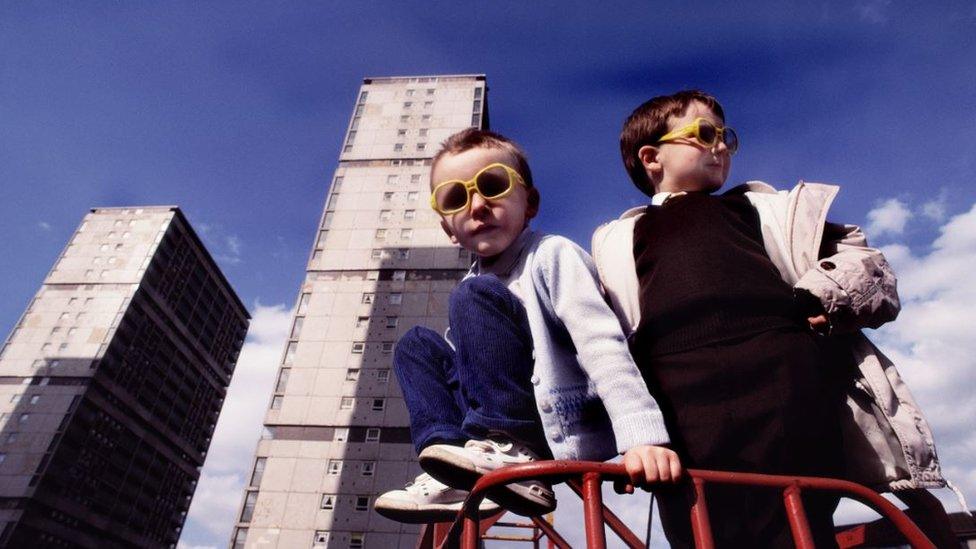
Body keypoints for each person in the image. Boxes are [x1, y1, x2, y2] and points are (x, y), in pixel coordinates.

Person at [590, 90, 955, 548]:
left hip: (785, 381)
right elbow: (597, 328)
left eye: (726, 136)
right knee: (699, 522)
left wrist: (814, 298)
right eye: (704, 134)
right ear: (651, 158)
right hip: (680, 399)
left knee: (797, 518)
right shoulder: (619, 237)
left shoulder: (765, 209)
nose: (720, 145)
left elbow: (868, 267)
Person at [373, 128, 681, 524]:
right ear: (448, 228)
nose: (478, 205)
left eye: (493, 185)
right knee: (416, 344)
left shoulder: (551, 255)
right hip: (494, 421)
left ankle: (508, 444)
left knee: (474, 296)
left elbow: (600, 341)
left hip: (558, 419)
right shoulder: (471, 288)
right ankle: (450, 469)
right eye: (455, 197)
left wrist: (642, 436)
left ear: (530, 202)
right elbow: (467, 375)